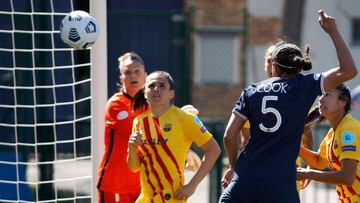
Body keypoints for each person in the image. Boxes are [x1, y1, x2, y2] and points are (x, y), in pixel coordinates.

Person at [219, 10, 357, 203]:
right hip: (281, 183)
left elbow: (228, 135)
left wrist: (235, 168)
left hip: (246, 180)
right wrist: (332, 31)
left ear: (274, 67)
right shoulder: (305, 86)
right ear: (300, 67)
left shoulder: (251, 91)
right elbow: (349, 70)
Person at [96, 53, 201, 203]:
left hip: (144, 185)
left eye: (137, 71)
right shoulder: (115, 105)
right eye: (128, 72)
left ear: (145, 76)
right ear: (121, 78)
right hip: (116, 184)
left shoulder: (154, 105)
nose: (133, 76)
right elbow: (145, 134)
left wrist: (185, 148)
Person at [221, 41, 314, 191]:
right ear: (266, 64)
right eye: (269, 60)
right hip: (262, 173)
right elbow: (244, 141)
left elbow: (306, 131)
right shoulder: (255, 95)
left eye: (275, 60)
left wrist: (309, 165)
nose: (272, 64)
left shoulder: (295, 93)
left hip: (286, 173)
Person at [127, 71, 221, 202]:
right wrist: (132, 149)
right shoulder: (138, 121)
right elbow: (134, 167)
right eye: (151, 85)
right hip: (147, 199)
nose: (156, 89)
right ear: (144, 93)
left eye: (162, 86)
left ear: (172, 93)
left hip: (172, 198)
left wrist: (191, 186)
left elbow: (214, 150)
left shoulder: (184, 118)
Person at [297, 84, 360, 202]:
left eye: (327, 95)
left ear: (343, 101)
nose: (320, 99)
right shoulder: (334, 131)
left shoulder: (348, 130)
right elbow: (318, 162)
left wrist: (308, 173)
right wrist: (292, 145)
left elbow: (347, 177)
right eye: (321, 94)